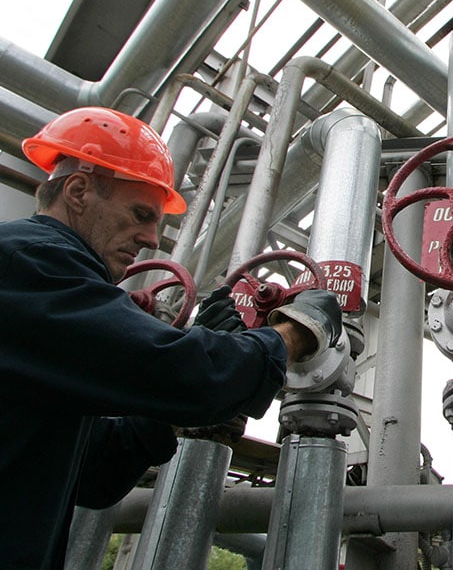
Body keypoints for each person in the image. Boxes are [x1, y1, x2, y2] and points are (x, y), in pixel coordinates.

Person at [0, 106, 343, 569]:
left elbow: (98, 473)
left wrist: (198, 359)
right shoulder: (29, 261)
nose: (150, 238)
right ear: (78, 191)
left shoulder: (47, 306)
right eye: (140, 214)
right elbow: (194, 377)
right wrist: (295, 335)